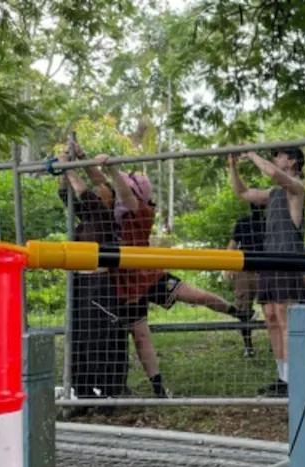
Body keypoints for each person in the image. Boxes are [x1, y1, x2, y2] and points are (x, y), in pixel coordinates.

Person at [96, 155, 252, 398]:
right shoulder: (110, 214)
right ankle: (158, 388)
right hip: (125, 284)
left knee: (193, 295)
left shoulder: (142, 211)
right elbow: (103, 185)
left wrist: (112, 167)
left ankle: (237, 312)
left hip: (148, 273)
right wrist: (86, 162)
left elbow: (123, 192)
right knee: (140, 335)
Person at [228, 147, 305, 397]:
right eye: (274, 156)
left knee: (285, 319)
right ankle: (282, 378)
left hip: (288, 261)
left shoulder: (296, 188)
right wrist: (233, 166)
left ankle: (294, 380)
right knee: (271, 318)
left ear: (292, 162)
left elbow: (274, 174)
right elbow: (243, 193)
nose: (276, 159)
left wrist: (252, 154)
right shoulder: (273, 193)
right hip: (269, 262)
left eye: (280, 155)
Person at [58, 139, 129, 407]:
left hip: (99, 285)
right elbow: (67, 192)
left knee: (99, 337)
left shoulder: (104, 215)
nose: (100, 191)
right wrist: (69, 158)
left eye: (104, 189)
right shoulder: (85, 218)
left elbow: (81, 188)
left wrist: (68, 166)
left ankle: (106, 390)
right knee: (80, 336)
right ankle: (83, 390)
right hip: (80, 284)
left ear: (110, 199)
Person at [225, 203, 265, 357]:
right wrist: (227, 267)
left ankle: (275, 344)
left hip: (265, 270)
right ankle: (248, 347)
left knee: (272, 308)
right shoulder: (243, 222)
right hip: (244, 270)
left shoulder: (269, 223)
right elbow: (232, 246)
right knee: (243, 309)